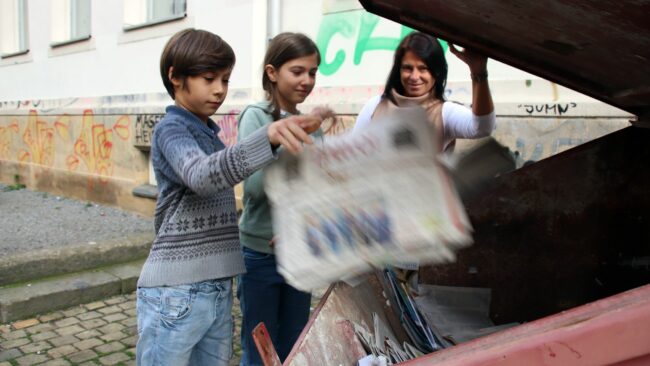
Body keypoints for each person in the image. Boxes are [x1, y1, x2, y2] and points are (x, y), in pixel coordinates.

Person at [136, 28, 323, 366]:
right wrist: (267, 138)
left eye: (225, 79)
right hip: (176, 290)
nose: (220, 90)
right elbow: (202, 176)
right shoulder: (171, 129)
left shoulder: (209, 134)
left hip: (216, 287)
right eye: (209, 79)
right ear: (175, 77)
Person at [237, 32, 334, 366]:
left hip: (298, 252)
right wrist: (282, 142)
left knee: (294, 344)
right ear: (272, 72)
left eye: (313, 72)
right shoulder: (256, 117)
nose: (307, 80)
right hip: (260, 255)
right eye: (298, 71)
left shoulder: (313, 127)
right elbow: (253, 188)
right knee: (260, 350)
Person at [353, 31, 496, 152]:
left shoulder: (444, 113)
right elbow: (354, 152)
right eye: (408, 68)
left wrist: (478, 71)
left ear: (437, 72)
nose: (414, 77)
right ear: (399, 70)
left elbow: (483, 128)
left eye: (423, 69)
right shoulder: (375, 106)